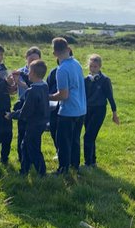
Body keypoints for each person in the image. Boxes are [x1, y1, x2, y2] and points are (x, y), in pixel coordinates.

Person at [49, 37, 87, 173]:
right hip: (81, 109)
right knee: (75, 140)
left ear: (55, 53)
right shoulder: (76, 63)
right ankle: (74, 166)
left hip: (68, 111)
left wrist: (48, 96)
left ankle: (63, 169)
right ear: (68, 49)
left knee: (63, 142)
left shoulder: (62, 69)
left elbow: (63, 95)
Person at [11, 59, 51, 175]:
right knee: (26, 145)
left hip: (33, 124)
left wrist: (12, 115)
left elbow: (25, 112)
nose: (27, 74)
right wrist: (21, 74)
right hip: (41, 122)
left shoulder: (32, 91)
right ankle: (24, 170)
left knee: (32, 149)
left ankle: (41, 172)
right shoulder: (44, 86)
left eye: (28, 72)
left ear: (33, 74)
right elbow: (31, 80)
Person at [83, 55, 119, 167]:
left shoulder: (105, 80)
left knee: (88, 136)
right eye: (91, 66)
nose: (93, 69)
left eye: (95, 66)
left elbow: (110, 97)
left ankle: (88, 163)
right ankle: (92, 161)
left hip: (99, 110)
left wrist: (114, 113)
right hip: (86, 110)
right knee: (90, 135)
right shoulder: (85, 80)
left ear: (99, 67)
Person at [13, 46, 43, 164]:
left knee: (34, 135)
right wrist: (12, 83)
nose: (33, 62)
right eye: (31, 60)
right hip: (23, 103)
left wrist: (20, 83)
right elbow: (14, 89)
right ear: (26, 59)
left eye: (35, 60)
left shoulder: (39, 72)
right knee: (21, 132)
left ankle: (33, 158)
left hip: (35, 107)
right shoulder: (20, 71)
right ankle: (22, 158)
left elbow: (35, 88)